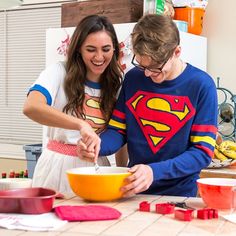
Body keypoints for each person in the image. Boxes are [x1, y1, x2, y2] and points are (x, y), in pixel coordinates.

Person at [77, 14, 218, 197]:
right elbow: (118, 131)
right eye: (143, 66)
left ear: (176, 52)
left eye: (156, 67)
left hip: (179, 195)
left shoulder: (201, 85)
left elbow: (202, 152)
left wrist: (154, 172)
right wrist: (97, 145)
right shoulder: (133, 77)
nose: (147, 74)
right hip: (133, 190)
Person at [23, 14, 126, 194]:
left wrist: (122, 171)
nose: (99, 57)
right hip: (56, 166)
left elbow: (122, 132)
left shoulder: (117, 83)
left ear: (114, 50)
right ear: (78, 49)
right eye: (91, 49)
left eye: (106, 49)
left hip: (96, 167)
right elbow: (31, 107)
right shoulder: (58, 72)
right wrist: (81, 125)